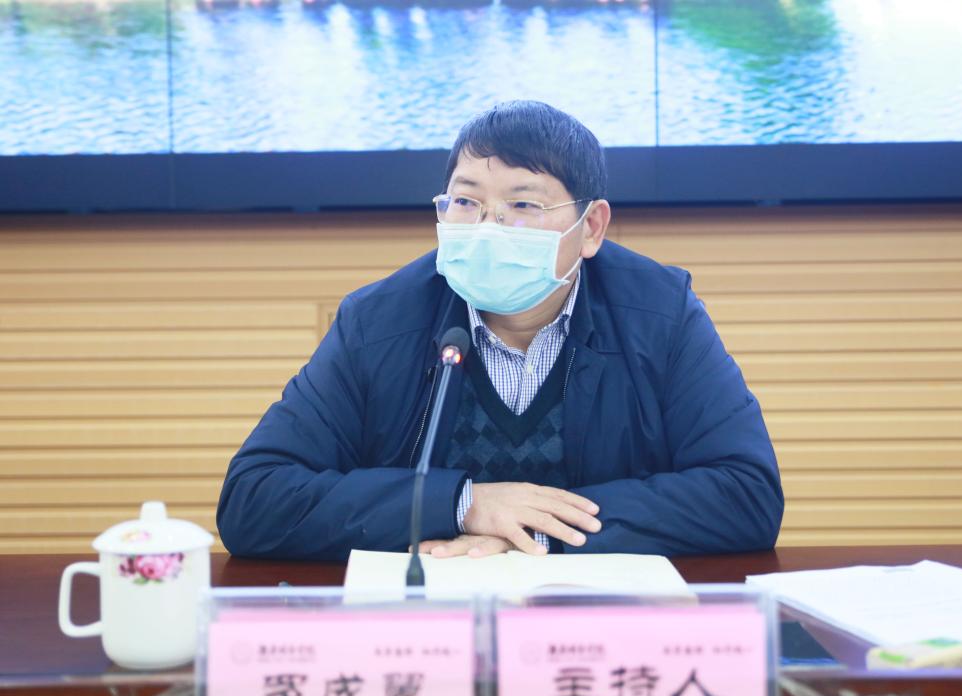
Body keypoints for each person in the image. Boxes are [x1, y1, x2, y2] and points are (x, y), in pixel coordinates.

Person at [217, 100, 783, 561]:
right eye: (466, 201)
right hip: (428, 626)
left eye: (523, 204)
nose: (488, 227)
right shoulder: (378, 321)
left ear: (591, 228)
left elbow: (746, 495)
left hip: (597, 627)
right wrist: (461, 505)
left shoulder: (659, 312)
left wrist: (537, 532)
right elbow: (254, 499)